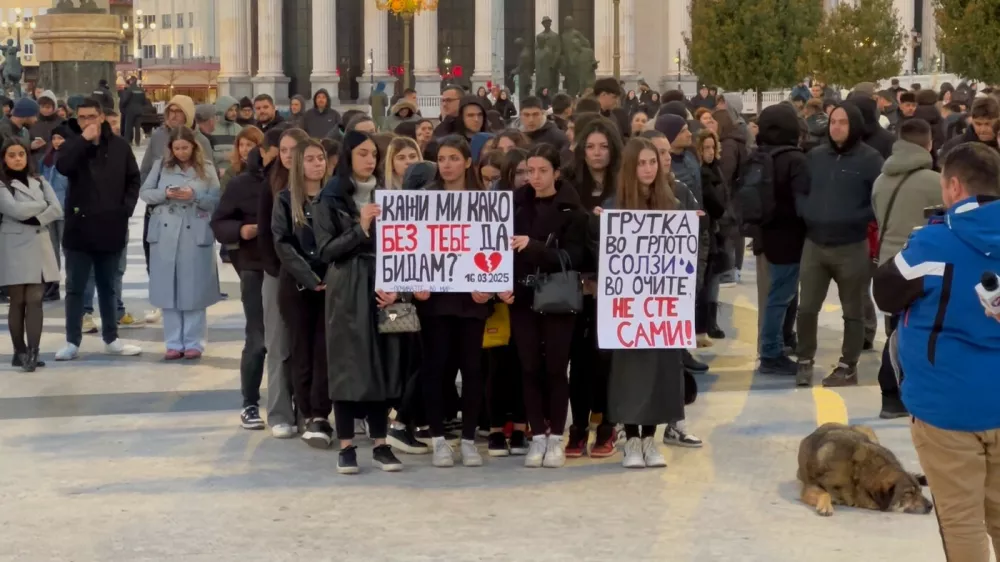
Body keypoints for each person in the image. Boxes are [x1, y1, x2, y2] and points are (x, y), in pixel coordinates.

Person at [872, 142, 1000, 562]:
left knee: (961, 521)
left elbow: (886, 292)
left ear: (954, 186)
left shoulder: (933, 244)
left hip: (946, 407)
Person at [313, 131, 407, 474]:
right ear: (349, 156)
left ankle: (382, 445)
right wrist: (361, 228)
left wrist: (399, 286)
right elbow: (325, 250)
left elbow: (404, 244)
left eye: (374, 154)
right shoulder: (330, 197)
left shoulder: (390, 195)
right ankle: (347, 446)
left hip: (383, 284)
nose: (371, 160)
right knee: (348, 363)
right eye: (363, 153)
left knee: (384, 361)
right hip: (347, 285)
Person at [409, 135, 495, 468]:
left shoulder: (485, 200)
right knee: (436, 367)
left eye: (453, 158)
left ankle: (470, 439)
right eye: (442, 158)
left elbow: (493, 247)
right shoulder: (424, 199)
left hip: (472, 298)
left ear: (468, 162)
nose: (447, 164)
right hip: (434, 297)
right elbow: (412, 247)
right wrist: (415, 282)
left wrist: (488, 284)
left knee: (472, 368)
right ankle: (440, 439)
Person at [602, 137, 680, 469]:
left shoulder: (672, 204)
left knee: (661, 370)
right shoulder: (613, 206)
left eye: (653, 162)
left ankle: (650, 438)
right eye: (642, 163)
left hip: (662, 305)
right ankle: (631, 438)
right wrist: (599, 227)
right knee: (629, 371)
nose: (648, 169)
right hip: (627, 305)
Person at [511, 144, 589, 468]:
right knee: (529, 367)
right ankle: (537, 435)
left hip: (558, 296)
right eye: (530, 171)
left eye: (543, 171)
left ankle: (556, 434)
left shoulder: (574, 211)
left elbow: (576, 258)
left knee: (557, 368)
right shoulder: (514, 206)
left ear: (556, 173)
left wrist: (535, 248)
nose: (536, 177)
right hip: (521, 296)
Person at [795, 103, 883, 387]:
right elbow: (802, 190)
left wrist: (856, 218)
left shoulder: (871, 160)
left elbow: (877, 200)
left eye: (843, 122)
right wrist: (807, 211)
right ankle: (805, 359)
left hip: (852, 246)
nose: (836, 127)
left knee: (853, 311)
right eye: (833, 122)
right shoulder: (816, 156)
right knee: (806, 307)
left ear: (854, 125)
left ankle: (848, 366)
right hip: (815, 245)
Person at [54, 99, 142, 361]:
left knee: (107, 286)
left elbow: (133, 179)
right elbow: (63, 166)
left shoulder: (119, 146)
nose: (86, 121)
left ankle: (111, 337)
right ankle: (72, 341)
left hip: (110, 225)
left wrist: (124, 209)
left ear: (102, 117)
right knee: (75, 288)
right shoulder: (73, 144)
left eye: (91, 116)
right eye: (81, 117)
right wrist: (82, 140)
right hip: (79, 228)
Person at [870, 118, 943, 418]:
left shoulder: (880, 180)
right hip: (919, 265)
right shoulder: (935, 182)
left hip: (888, 265)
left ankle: (892, 394)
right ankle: (892, 389)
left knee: (895, 331)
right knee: (909, 333)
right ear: (928, 144)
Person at [561, 116, 622, 458]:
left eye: (603, 147)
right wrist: (585, 277)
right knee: (580, 361)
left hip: (616, 287)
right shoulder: (570, 185)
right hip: (578, 286)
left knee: (608, 360)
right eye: (590, 147)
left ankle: (608, 425)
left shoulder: (625, 185)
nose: (597, 154)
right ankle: (578, 426)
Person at [211, 131, 276, 431]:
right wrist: (241, 230)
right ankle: (250, 402)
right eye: (278, 150)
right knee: (258, 337)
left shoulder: (299, 183)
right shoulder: (242, 183)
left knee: (290, 340)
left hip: (291, 268)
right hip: (254, 266)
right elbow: (219, 222)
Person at [272, 139, 334, 448]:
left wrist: (329, 276)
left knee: (326, 351)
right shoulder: (285, 200)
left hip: (332, 284)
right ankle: (308, 412)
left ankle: (321, 412)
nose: (317, 164)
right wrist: (309, 277)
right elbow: (282, 243)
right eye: (310, 159)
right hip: (298, 285)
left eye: (320, 158)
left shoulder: (334, 198)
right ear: (299, 164)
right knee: (302, 350)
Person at [139, 126, 221, 360]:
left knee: (193, 288)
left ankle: (195, 341)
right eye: (177, 148)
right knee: (169, 289)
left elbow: (216, 198)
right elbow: (145, 193)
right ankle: (173, 342)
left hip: (194, 230)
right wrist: (166, 193)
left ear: (193, 147)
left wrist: (194, 196)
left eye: (185, 147)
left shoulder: (206, 168)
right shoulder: (161, 166)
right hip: (165, 233)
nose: (181, 152)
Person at [256, 126, 309, 437]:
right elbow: (265, 235)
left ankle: (308, 411)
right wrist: (280, 269)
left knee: (307, 345)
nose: (289, 155)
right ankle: (279, 413)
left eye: (295, 150)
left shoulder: (318, 185)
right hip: (278, 274)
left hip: (313, 276)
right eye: (284, 150)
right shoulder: (270, 185)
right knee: (278, 346)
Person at [752, 103, 809, 376]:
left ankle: (778, 342)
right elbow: (803, 202)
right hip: (790, 237)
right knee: (781, 296)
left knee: (778, 294)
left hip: (765, 235)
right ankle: (772, 351)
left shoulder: (760, 157)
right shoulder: (795, 160)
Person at [0, 138, 63, 371]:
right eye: (12, 155)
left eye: (21, 154)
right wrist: (41, 206)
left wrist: (38, 215)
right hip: (13, 245)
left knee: (35, 300)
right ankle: (19, 351)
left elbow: (56, 208)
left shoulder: (39, 179)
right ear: (4, 158)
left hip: (39, 243)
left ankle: (33, 353)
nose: (17, 159)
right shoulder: (1, 183)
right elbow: (14, 210)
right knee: (18, 301)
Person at [40, 122, 71, 302]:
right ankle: (51, 286)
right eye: (54, 138)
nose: (57, 141)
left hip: (65, 211)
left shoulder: (69, 158)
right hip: (49, 211)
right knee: (50, 251)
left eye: (60, 138)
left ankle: (72, 284)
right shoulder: (47, 159)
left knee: (67, 250)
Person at [221, 126, 264, 192]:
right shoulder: (232, 171)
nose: (244, 149)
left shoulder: (266, 170)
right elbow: (224, 195)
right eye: (241, 145)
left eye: (249, 145)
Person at [119, 76, 146, 146]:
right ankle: (137, 142)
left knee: (128, 126)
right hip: (139, 110)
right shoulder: (141, 90)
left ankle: (127, 142)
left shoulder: (129, 89)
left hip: (130, 110)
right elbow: (144, 101)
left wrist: (122, 107)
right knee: (137, 127)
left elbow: (125, 100)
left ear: (131, 81)